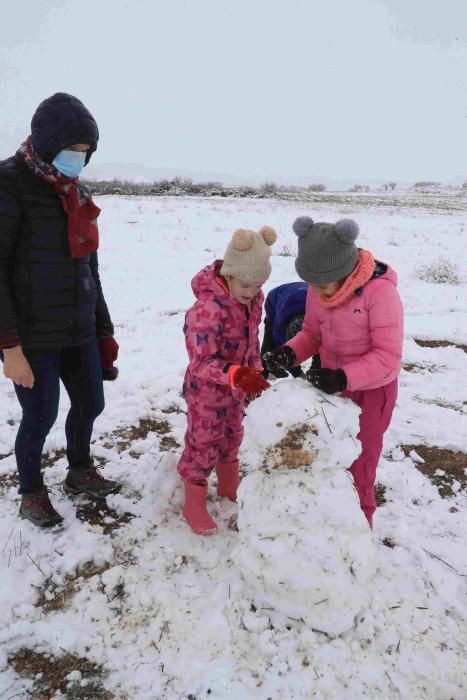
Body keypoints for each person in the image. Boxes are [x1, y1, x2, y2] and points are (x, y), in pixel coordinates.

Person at [0, 92, 121, 528]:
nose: (79, 160)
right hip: (32, 333)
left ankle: (80, 470)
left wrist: (102, 330)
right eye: (73, 151)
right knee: (40, 415)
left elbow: (90, 266)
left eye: (86, 153)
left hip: (79, 326)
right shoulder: (9, 183)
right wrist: (9, 346)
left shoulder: (75, 192)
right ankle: (31, 492)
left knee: (91, 402)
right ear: (48, 144)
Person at [262, 216, 403, 528]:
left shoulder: (381, 294)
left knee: (359, 463)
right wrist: (288, 352)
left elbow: (388, 356)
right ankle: (326, 526)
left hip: (371, 392)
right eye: (312, 284)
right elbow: (312, 333)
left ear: (344, 271)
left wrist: (344, 377)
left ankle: (357, 533)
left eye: (322, 285)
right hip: (330, 384)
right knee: (329, 456)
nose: (316, 292)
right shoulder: (318, 287)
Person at [177, 225, 276, 534]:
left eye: (258, 285)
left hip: (236, 389)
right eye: (245, 284)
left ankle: (229, 486)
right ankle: (194, 499)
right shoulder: (208, 310)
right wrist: (236, 374)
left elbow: (251, 339)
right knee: (203, 442)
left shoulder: (253, 299)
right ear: (229, 274)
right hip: (206, 391)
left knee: (232, 435)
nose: (251, 292)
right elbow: (201, 361)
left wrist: (255, 370)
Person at [260, 281, 320, 378]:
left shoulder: (318, 320)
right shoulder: (281, 325)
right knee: (269, 342)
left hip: (302, 294)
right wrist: (298, 374)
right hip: (275, 299)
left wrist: (316, 371)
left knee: (319, 342)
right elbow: (283, 348)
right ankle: (264, 370)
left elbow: (322, 347)